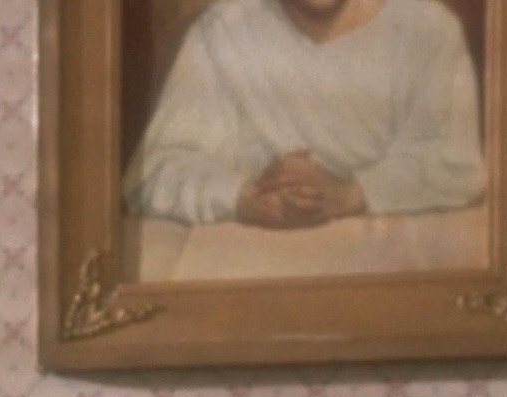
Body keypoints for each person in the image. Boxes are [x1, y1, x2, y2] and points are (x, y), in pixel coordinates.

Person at [125, 0, 484, 229]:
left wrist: (351, 193)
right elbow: (152, 172)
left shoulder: (429, 30)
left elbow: (458, 166)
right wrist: (243, 196)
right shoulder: (222, 31)